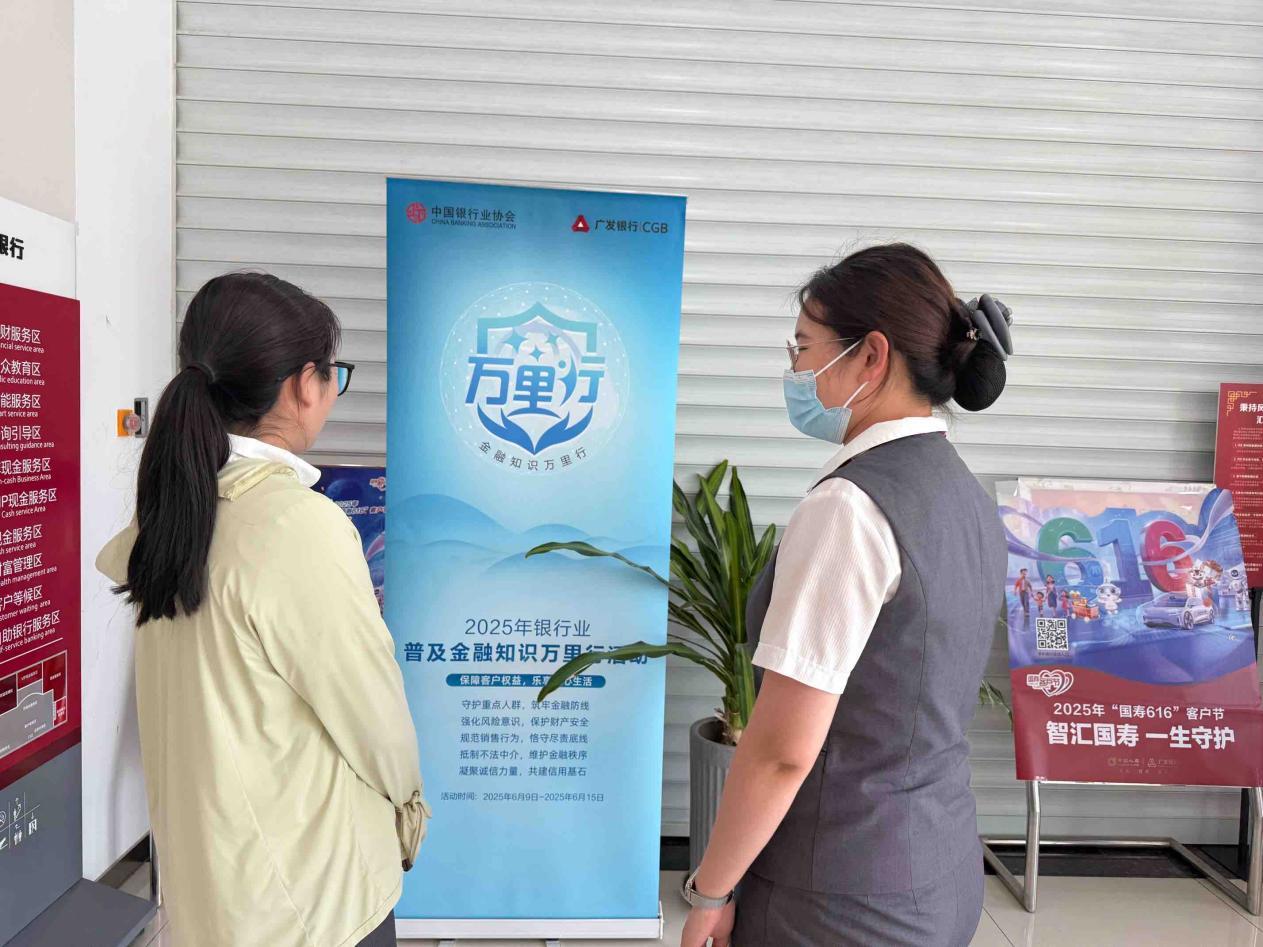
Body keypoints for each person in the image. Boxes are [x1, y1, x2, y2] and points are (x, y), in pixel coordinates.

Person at [680, 244, 1010, 947]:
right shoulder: (965, 495)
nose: (795, 370)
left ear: (871, 357)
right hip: (943, 873)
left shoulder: (849, 508)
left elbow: (781, 751)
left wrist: (710, 889)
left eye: (804, 348)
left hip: (838, 898)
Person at [96, 272, 429, 947]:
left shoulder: (173, 515)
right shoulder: (293, 523)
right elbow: (370, 708)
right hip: (314, 899)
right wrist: (409, 808)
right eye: (334, 374)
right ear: (304, 385)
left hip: (213, 891)